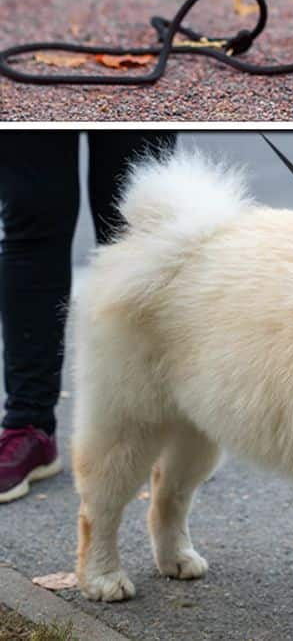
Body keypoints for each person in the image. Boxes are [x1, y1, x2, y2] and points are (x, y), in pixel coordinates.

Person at [0, 131, 176, 503]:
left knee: (137, 224)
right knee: (31, 218)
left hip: (135, 86)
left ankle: (154, 424)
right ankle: (29, 426)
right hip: (26, 89)